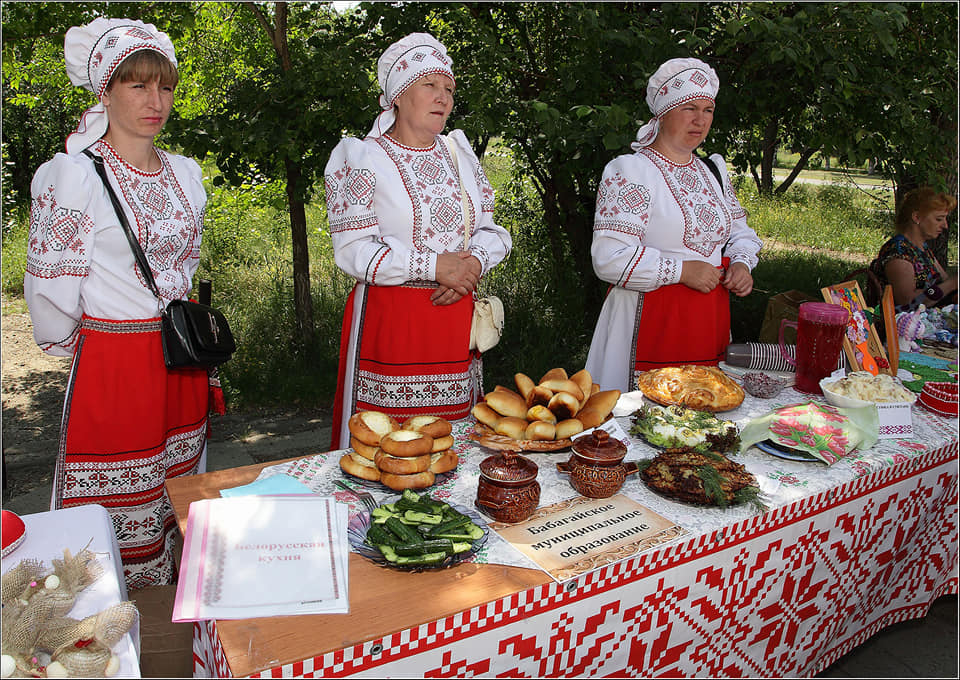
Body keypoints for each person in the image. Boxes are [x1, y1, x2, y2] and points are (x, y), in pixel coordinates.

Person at [24, 18, 210, 589]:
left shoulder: (184, 172)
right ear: (104, 90)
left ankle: (179, 629)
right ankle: (115, 631)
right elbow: (52, 286)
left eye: (165, 86)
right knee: (119, 502)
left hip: (178, 361)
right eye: (137, 85)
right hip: (117, 362)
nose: (156, 101)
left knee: (175, 487)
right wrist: (80, 343)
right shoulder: (73, 175)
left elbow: (189, 256)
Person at [324, 33, 512, 450]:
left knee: (451, 443)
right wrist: (434, 266)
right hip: (393, 323)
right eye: (429, 85)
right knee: (388, 447)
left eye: (448, 88)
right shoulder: (362, 158)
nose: (442, 97)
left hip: (454, 315)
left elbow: (494, 231)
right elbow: (352, 249)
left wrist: (473, 263)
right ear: (397, 95)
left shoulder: (459, 154)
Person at [584, 58, 762, 393]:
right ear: (663, 113)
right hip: (649, 321)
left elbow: (741, 233)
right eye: (689, 108)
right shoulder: (632, 171)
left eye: (708, 110)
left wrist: (741, 263)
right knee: (646, 422)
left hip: (707, 323)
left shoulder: (713, 171)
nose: (700, 120)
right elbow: (608, 257)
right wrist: (680, 270)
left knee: (703, 413)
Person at [869, 187, 958, 311]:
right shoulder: (897, 252)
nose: (945, 225)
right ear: (916, 217)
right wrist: (952, 284)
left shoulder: (922, 248)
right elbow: (908, 302)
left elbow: (944, 281)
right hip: (906, 326)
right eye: (939, 219)